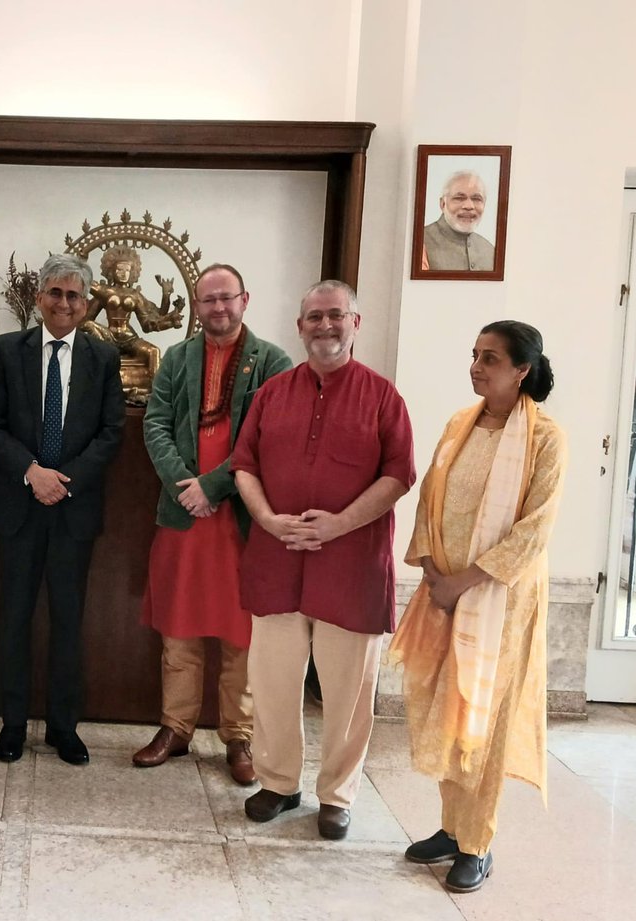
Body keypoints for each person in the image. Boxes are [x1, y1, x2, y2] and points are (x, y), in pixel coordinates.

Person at [230, 280, 415, 840]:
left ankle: (337, 794)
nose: (325, 326)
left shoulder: (383, 397)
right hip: (277, 559)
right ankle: (279, 784)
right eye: (314, 317)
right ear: (299, 326)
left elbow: (399, 474)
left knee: (348, 693)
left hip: (351, 568)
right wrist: (265, 519)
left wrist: (338, 525)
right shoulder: (272, 394)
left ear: (355, 323)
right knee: (274, 682)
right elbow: (244, 466)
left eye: (336, 315)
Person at [388, 321, 565, 894]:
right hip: (443, 593)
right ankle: (449, 827)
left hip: (499, 605)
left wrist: (464, 581)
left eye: (490, 359)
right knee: (446, 710)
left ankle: (478, 843)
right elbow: (430, 503)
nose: (476, 366)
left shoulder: (545, 440)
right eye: (474, 356)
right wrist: (434, 572)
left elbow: (532, 534)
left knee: (482, 720)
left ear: (522, 371)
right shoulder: (458, 426)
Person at [134, 263, 291, 784]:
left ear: (245, 299)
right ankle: (175, 728)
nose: (218, 309)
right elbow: (155, 424)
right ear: (196, 307)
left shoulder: (273, 362)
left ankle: (238, 738)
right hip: (184, 517)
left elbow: (268, 437)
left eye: (227, 299)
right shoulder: (177, 358)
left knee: (239, 635)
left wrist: (214, 486)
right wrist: (187, 485)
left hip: (242, 519)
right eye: (208, 301)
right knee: (178, 631)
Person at [0, 253, 126, 765]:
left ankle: (65, 726)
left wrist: (65, 481)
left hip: (73, 509)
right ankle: (13, 725)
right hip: (18, 506)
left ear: (87, 306)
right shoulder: (6, 349)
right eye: (56, 293)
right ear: (39, 297)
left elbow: (112, 432)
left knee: (68, 620)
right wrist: (31, 473)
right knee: (14, 618)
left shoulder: (102, 358)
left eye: (74, 296)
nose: (64, 303)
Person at [84, 245, 185, 399]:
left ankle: (157, 396)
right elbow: (86, 319)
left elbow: (149, 323)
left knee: (154, 352)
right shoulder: (104, 292)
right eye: (119, 270)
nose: (123, 274)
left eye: (127, 270)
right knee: (90, 327)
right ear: (111, 271)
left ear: (133, 273)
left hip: (129, 337)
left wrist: (166, 300)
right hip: (107, 337)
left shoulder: (135, 295)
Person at [421, 171, 496, 272]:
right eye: (459, 198)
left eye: (476, 199)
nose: (469, 206)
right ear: (443, 204)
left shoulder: (490, 251)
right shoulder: (420, 242)